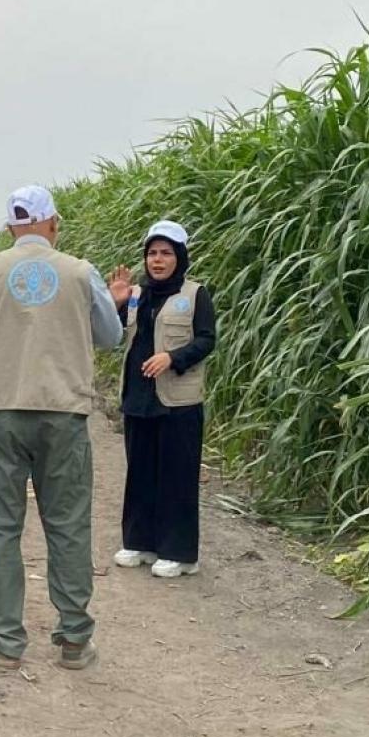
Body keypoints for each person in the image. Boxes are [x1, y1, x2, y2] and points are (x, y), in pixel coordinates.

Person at [0, 185, 125, 670]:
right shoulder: (82, 273)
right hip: (64, 412)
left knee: (0, 528)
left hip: (0, 411)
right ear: (53, 223)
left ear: (10, 228)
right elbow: (111, 336)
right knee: (67, 525)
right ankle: (73, 640)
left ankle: (2, 641)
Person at [112, 220, 217, 578]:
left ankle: (180, 553)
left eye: (166, 253)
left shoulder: (195, 293)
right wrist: (117, 302)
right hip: (140, 398)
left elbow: (206, 340)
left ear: (180, 257)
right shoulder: (138, 293)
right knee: (140, 471)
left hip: (178, 401)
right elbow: (117, 334)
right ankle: (140, 542)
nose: (158, 260)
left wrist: (173, 358)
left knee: (177, 475)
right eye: (152, 253)